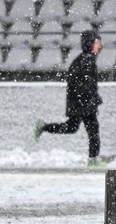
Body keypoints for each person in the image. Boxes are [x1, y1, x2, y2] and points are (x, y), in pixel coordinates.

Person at [35, 29, 104, 166]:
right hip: (84, 104)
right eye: (96, 43)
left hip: (78, 103)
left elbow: (80, 83)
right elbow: (85, 85)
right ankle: (93, 160)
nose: (99, 46)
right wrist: (92, 99)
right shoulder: (87, 60)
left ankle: (43, 127)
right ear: (89, 44)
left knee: (71, 127)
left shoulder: (81, 59)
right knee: (93, 132)